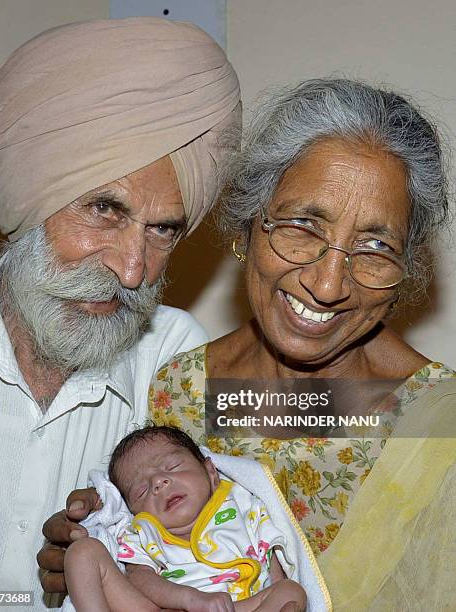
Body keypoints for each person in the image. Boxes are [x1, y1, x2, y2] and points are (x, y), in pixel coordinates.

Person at [43, 78, 456, 610]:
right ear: (246, 228)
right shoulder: (182, 390)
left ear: (405, 270)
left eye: (375, 246)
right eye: (303, 225)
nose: (327, 285)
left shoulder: (439, 427)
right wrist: (91, 556)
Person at [0, 16, 240, 610]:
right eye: (104, 211)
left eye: (162, 228)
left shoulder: (172, 353)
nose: (134, 270)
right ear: (28, 203)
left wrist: (123, 556)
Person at [64, 426, 308, 611]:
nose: (158, 482)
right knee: (82, 552)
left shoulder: (241, 501)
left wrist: (275, 583)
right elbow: (139, 578)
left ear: (211, 472)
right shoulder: (144, 531)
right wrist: (189, 598)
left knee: (290, 591)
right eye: (141, 490)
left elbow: (272, 555)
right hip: (168, 607)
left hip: (241, 605)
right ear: (134, 511)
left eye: (172, 466)